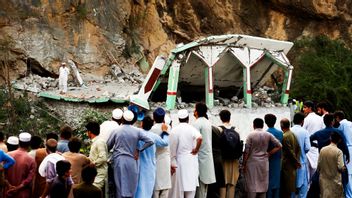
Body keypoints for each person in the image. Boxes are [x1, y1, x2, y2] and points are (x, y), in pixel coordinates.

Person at [107, 110, 154, 198]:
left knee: (119, 186)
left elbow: (108, 146)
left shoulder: (116, 131)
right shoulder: (137, 131)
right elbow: (150, 141)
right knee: (131, 186)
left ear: (122, 119)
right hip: (132, 161)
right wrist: (139, 149)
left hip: (119, 161)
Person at [243, 118, 282, 198]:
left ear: (254, 125)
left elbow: (246, 151)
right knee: (262, 184)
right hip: (264, 162)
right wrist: (269, 153)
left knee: (252, 184)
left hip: (252, 163)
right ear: (263, 125)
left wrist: (244, 163)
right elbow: (279, 145)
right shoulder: (268, 134)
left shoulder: (251, 135)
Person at [169, 109, 202, 198]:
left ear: (179, 119)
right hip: (191, 160)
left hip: (179, 161)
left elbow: (171, 149)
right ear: (188, 118)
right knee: (190, 189)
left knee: (179, 189)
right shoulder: (192, 129)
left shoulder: (174, 130)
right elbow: (200, 138)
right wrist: (196, 149)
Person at [135, 116, 169, 198]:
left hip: (138, 165)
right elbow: (165, 143)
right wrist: (164, 132)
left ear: (142, 124)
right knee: (148, 189)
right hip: (150, 166)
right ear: (151, 125)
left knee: (138, 188)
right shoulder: (154, 136)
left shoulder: (138, 133)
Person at [193, 102, 216, 198]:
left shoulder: (197, 123)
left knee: (200, 188)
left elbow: (196, 140)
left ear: (197, 111)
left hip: (200, 157)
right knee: (204, 188)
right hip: (207, 157)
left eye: (195, 109)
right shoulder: (207, 122)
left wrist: (194, 150)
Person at [218, 109, 240, 198]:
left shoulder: (218, 129)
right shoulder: (236, 129)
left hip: (222, 160)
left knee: (222, 183)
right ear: (230, 118)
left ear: (220, 118)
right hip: (234, 160)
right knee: (232, 183)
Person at [6, 132, 36, 198]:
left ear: (19, 142)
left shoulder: (8, 155)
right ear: (29, 143)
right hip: (22, 193)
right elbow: (29, 179)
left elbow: (3, 174)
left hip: (8, 191)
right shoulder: (31, 160)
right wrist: (17, 188)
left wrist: (9, 186)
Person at [150, 107, 171, 198]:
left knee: (155, 188)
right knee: (165, 189)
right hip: (165, 160)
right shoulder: (168, 127)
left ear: (154, 118)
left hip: (155, 159)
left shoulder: (151, 129)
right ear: (163, 118)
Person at [318, 132, 346, 198]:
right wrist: (344, 168)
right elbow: (340, 167)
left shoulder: (322, 150)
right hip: (335, 181)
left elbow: (319, 165)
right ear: (339, 140)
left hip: (323, 181)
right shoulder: (339, 152)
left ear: (330, 138)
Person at [32, 133, 59, 198]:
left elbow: (35, 171)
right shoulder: (60, 156)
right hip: (54, 189)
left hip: (40, 187)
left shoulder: (39, 152)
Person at [291, 112, 311, 198]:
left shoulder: (289, 131)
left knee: (291, 187)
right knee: (303, 187)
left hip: (290, 164)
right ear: (302, 121)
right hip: (301, 163)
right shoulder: (305, 132)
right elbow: (307, 147)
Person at [302, 101, 324, 181]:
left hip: (308, 148)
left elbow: (303, 133)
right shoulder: (320, 119)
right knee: (315, 172)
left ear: (310, 108)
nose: (303, 109)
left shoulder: (306, 119)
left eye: (305, 107)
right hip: (317, 148)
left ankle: (307, 191)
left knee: (307, 174)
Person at [280, 118, 301, 198]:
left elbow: (289, 152)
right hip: (292, 165)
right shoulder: (292, 134)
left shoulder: (284, 136)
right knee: (290, 186)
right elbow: (298, 148)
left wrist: (296, 162)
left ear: (281, 126)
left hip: (287, 165)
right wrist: (297, 160)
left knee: (286, 188)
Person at [264, 114, 283, 198]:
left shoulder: (266, 133)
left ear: (265, 122)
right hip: (277, 159)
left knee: (269, 182)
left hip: (268, 160)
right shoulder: (280, 133)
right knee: (276, 182)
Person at [334, 110, 352, 197]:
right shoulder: (350, 123)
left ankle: (349, 195)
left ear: (337, 118)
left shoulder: (342, 125)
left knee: (348, 174)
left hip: (347, 149)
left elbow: (337, 136)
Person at [86, 121, 108, 191]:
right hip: (95, 174)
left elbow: (103, 158)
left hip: (99, 174)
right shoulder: (96, 141)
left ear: (89, 132)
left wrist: (93, 164)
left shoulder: (99, 142)